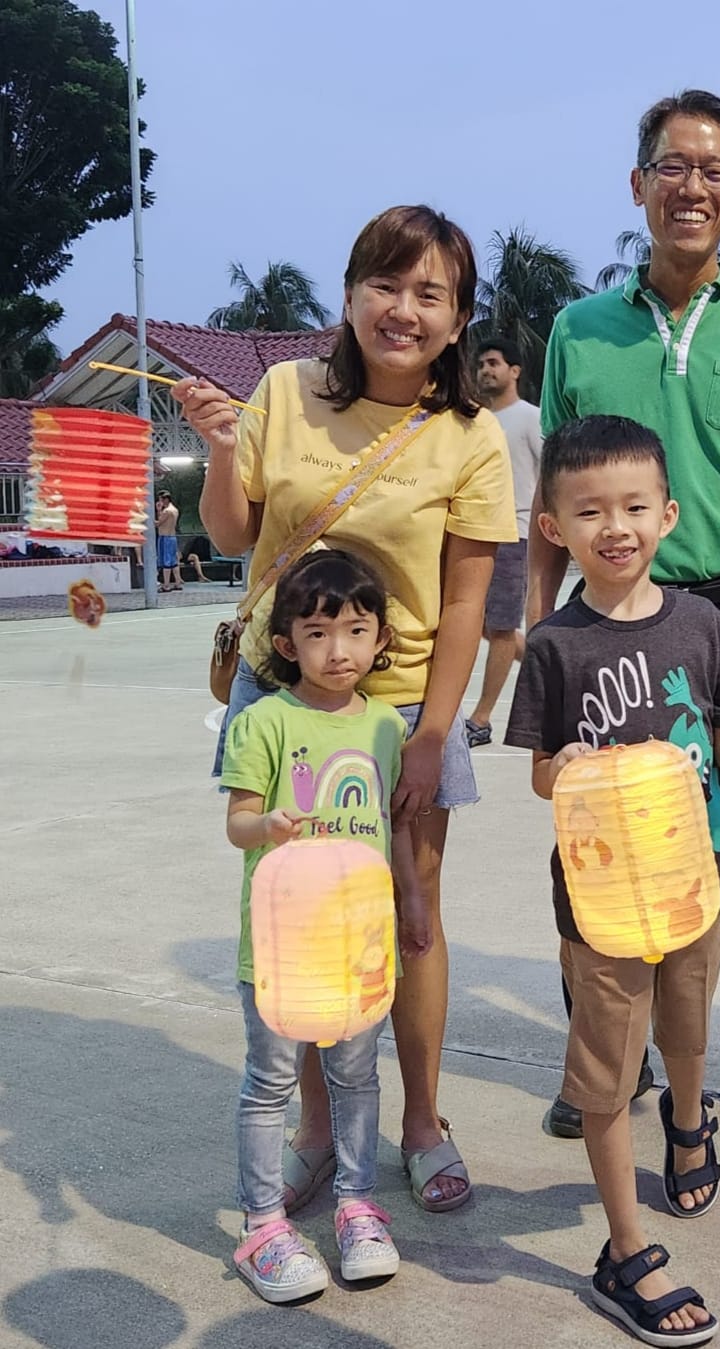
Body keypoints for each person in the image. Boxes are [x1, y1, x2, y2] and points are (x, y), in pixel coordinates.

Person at [177, 204, 517, 1216]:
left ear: (458, 319)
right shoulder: (285, 392)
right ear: (350, 295)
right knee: (300, 908)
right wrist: (220, 450)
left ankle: (421, 1122)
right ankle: (318, 1130)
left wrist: (433, 733)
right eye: (385, 284)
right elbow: (233, 535)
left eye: (430, 294)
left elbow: (465, 603)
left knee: (411, 914)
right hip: (283, 693)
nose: (403, 309)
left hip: (400, 706)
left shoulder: (472, 436)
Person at [530, 90, 720, 1151]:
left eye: (713, 171)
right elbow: (553, 493)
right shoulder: (578, 329)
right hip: (605, 616)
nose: (691, 186)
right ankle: (608, 1056)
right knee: (599, 838)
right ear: (638, 184)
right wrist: (539, 620)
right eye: (672, 166)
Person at [506, 416, 720, 1346]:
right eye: (589, 510)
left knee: (687, 1027)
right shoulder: (553, 643)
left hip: (695, 878)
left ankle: (690, 1123)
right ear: (554, 526)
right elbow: (539, 773)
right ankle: (625, 1247)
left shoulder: (701, 623)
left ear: (667, 514)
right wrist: (563, 767)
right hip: (602, 901)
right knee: (607, 1071)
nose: (616, 526)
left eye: (634, 506)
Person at [222, 549, 432, 1303]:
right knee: (270, 1080)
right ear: (287, 643)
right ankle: (262, 1225)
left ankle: (358, 1206)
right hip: (282, 945)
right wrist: (267, 825)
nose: (337, 649)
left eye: (355, 630)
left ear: (381, 639)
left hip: (359, 943)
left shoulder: (385, 726)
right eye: (317, 632)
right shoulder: (264, 721)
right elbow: (237, 823)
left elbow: (393, 825)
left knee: (356, 1076)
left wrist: (411, 897)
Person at [465, 336, 542, 747]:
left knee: (501, 628)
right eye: (481, 364)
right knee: (481, 625)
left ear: (514, 371)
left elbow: (551, 475)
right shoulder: (474, 420)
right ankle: (547, 667)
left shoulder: (531, 418)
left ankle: (480, 719)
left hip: (516, 533)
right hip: (476, 533)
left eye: (493, 363)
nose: (485, 370)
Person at [155, 491, 183, 591]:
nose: (159, 502)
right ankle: (178, 582)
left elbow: (158, 523)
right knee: (173, 561)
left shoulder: (167, 511)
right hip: (172, 537)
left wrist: (158, 511)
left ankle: (166, 585)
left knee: (166, 561)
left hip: (165, 537)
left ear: (165, 499)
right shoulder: (175, 510)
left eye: (160, 500)